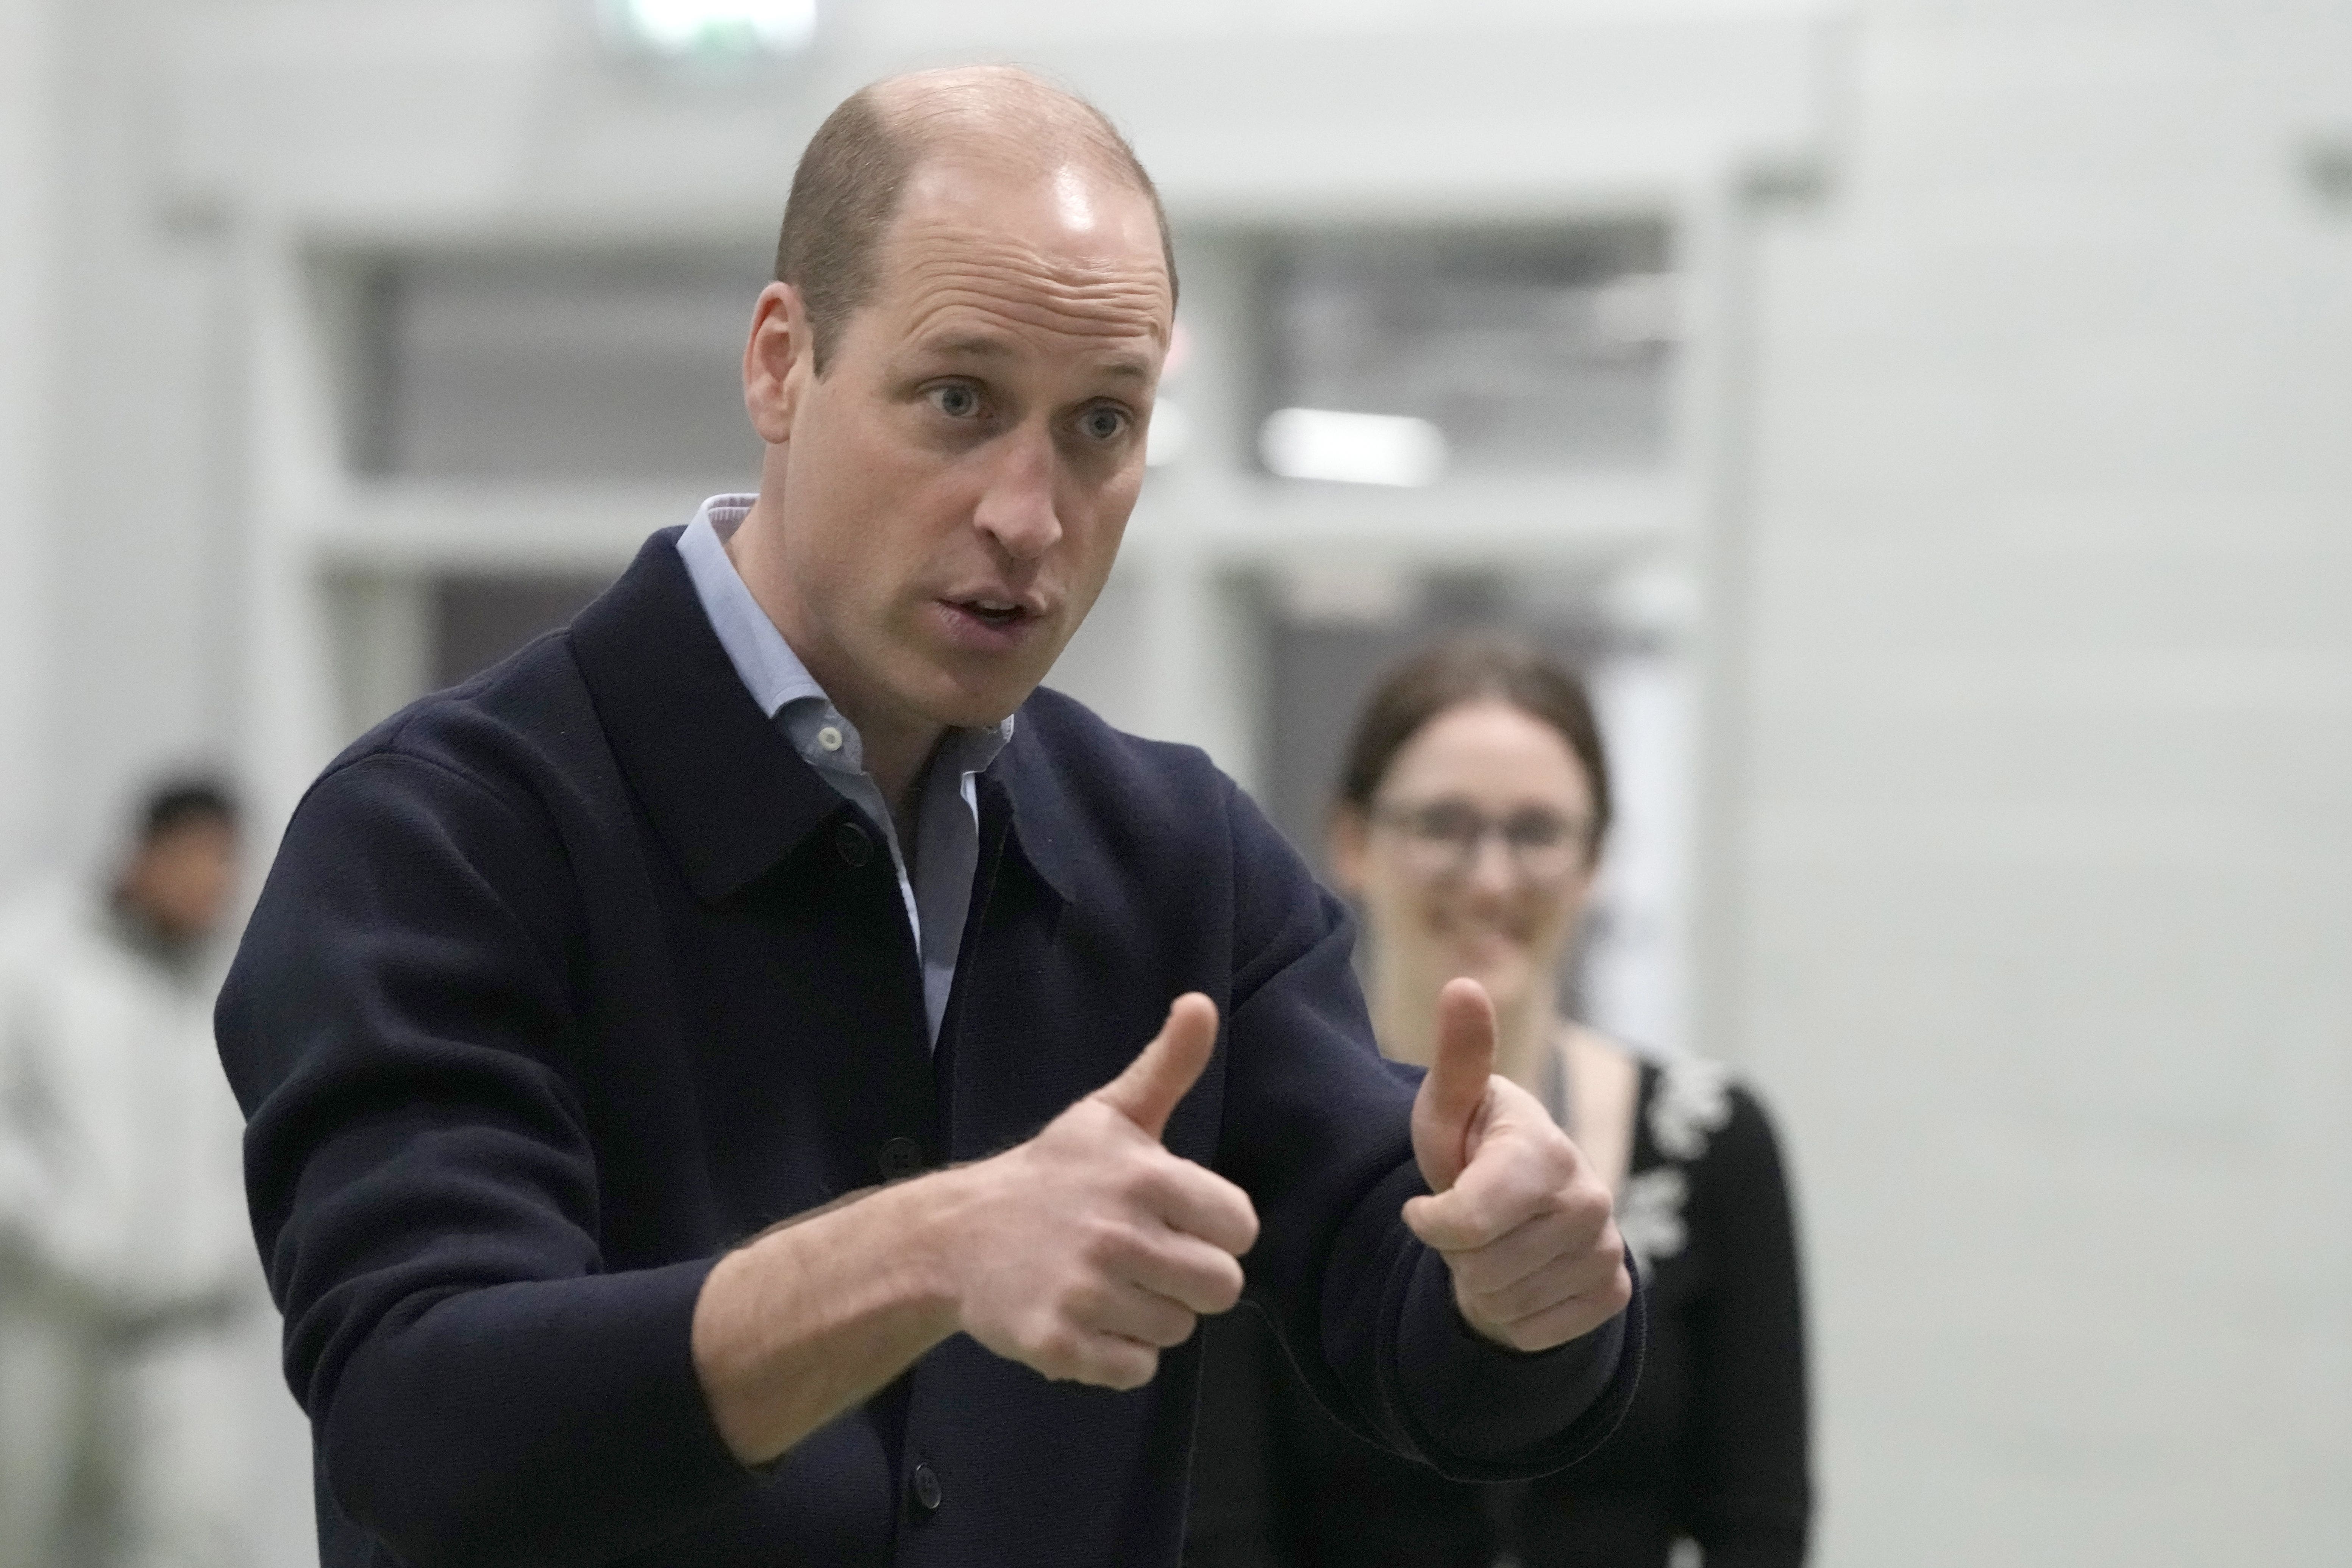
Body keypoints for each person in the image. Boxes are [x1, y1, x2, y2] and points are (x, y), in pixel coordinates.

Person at [213, 67, 1644, 1568]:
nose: (1028, 517)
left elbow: (1405, 1308)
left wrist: (1525, 1284)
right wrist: (931, 1249)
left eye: (1101, 424)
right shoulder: (443, 838)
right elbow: (425, 1423)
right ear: (781, 364)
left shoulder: (1177, 859)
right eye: (958, 401)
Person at [1186, 636, 1811, 1568]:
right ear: (1352, 840)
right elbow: (1220, 1534)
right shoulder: (1253, 1141)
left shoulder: (1714, 1141)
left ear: (1596, 859)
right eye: (1443, 823)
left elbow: (1758, 1526)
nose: (1491, 878)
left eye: (1537, 831)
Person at [0, 778, 312, 1568]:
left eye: (225, 866)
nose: (212, 885)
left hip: (186, 1341)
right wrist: (59, 1235)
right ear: (147, 851)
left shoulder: (236, 985)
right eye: (197, 860)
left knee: (189, 1540)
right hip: (47, 1324)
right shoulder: (35, 958)